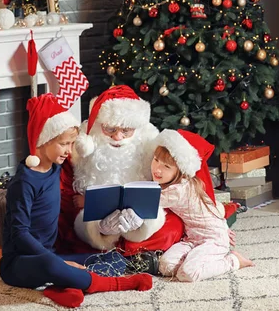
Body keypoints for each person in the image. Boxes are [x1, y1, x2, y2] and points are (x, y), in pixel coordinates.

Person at [0, 93, 152, 309]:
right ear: (43, 141)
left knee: (108, 258)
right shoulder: (24, 182)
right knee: (52, 264)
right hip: (19, 263)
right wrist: (59, 262)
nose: (70, 151)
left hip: (51, 253)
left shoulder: (55, 168)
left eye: (71, 143)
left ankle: (61, 289)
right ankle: (114, 284)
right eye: (64, 144)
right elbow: (20, 234)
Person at [57, 85, 184, 256]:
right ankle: (121, 247)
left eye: (126, 131)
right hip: (97, 219)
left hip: (138, 217)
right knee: (74, 239)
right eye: (110, 129)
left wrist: (144, 222)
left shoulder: (148, 149)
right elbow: (66, 206)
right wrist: (97, 228)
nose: (117, 137)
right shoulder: (79, 154)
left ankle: (134, 246)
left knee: (172, 227)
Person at [151, 129, 254, 282]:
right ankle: (201, 259)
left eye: (166, 166)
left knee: (187, 273)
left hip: (213, 239)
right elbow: (212, 207)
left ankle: (233, 261)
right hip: (192, 238)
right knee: (165, 266)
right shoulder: (182, 184)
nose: (157, 169)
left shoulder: (176, 191)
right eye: (155, 160)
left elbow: (146, 203)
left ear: (180, 171)